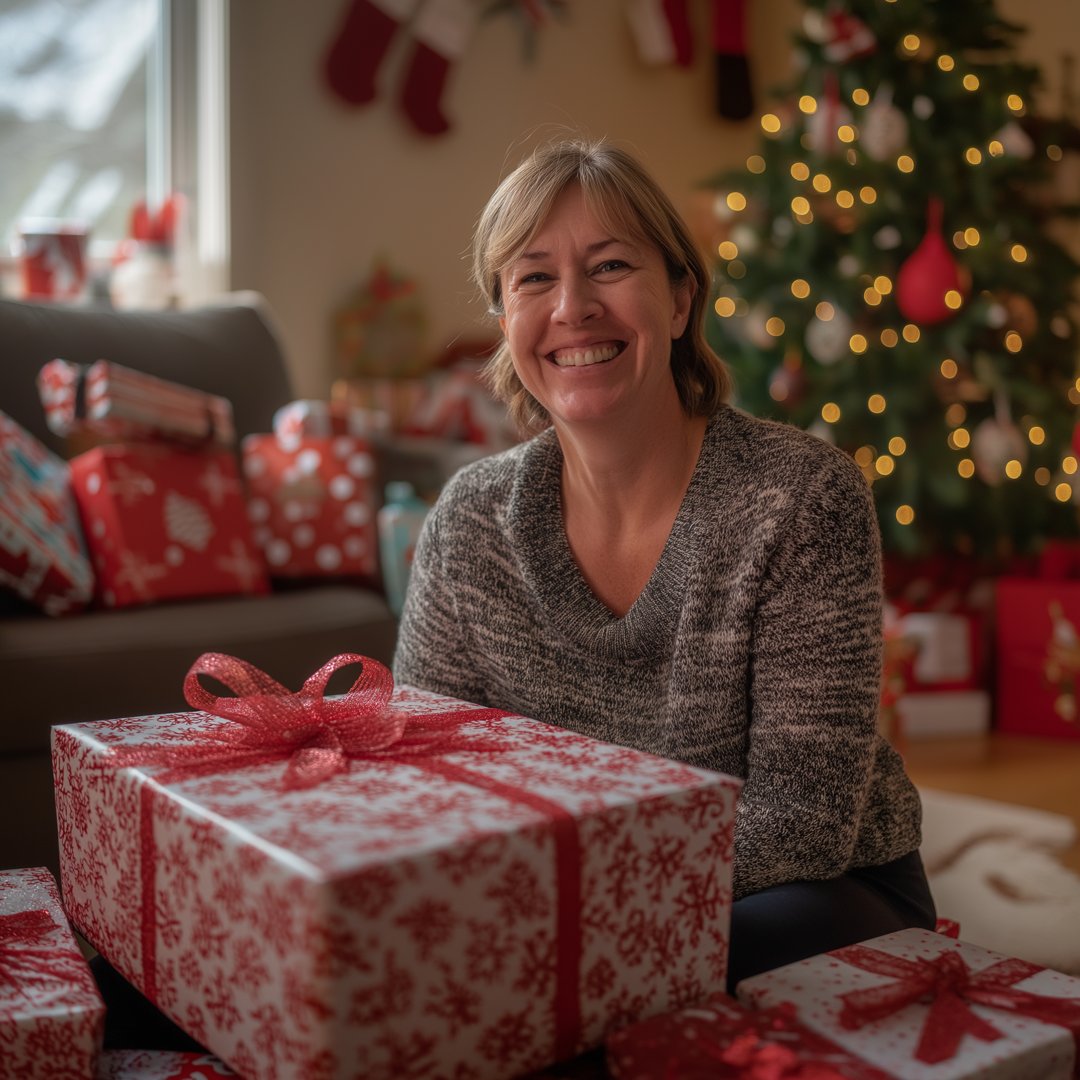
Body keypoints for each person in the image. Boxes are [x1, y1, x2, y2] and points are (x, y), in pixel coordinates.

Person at [392, 136, 936, 990]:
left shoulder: (801, 497)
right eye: (533, 278)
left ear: (681, 299)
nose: (573, 307)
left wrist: (577, 908)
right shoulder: (469, 521)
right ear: (505, 317)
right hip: (561, 906)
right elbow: (431, 785)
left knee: (588, 986)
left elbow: (802, 820)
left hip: (816, 894)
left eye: (609, 266)